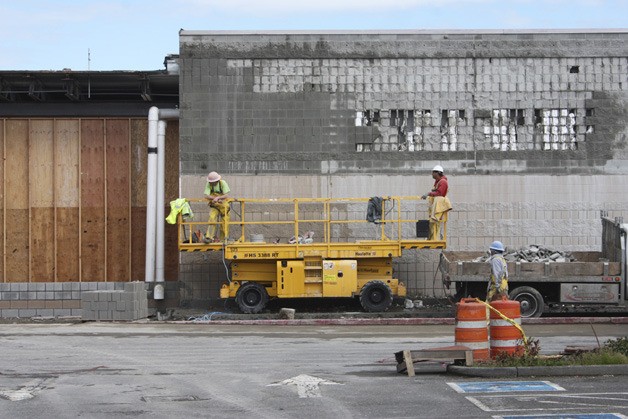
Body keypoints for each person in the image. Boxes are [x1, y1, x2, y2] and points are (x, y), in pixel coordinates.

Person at [420, 165, 452, 240]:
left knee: (434, 221)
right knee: (433, 222)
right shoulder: (438, 182)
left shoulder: (443, 182)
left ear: (437, 173)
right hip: (436, 204)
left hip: (439, 204)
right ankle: (432, 238)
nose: (432, 174)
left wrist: (428, 193)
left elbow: (440, 193)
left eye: (433, 172)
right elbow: (437, 191)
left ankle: (435, 238)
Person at [204, 171, 230, 243]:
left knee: (225, 222)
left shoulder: (222, 183)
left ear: (217, 180)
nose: (211, 183)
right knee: (212, 218)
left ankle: (224, 239)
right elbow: (206, 195)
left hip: (223, 206)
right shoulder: (209, 184)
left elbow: (226, 195)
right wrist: (213, 198)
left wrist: (218, 198)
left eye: (212, 182)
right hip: (215, 205)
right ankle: (209, 237)